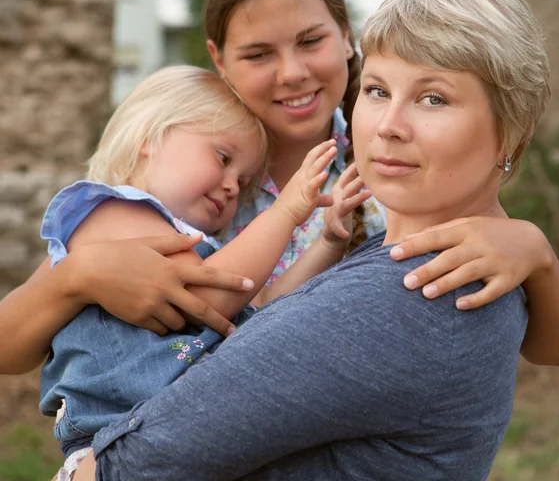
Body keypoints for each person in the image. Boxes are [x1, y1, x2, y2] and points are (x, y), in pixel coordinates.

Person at [0, 0, 559, 381]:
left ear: (346, 34)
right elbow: (11, 348)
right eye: (258, 54)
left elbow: (553, 350)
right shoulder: (187, 175)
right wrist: (76, 278)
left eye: (310, 41)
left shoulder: (400, 163)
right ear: (219, 60)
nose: (293, 73)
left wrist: (535, 253)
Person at [75, 0, 559, 481]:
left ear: (511, 130)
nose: (388, 125)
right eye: (377, 90)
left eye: (434, 99)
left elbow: (137, 464)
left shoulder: (410, 293)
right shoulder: (462, 252)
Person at [41, 65, 369, 479]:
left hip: (177, 431)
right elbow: (205, 300)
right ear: (151, 138)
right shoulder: (109, 211)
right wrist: (286, 210)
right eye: (223, 158)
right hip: (113, 441)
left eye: (243, 180)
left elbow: (261, 302)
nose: (233, 186)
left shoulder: (196, 247)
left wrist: (328, 243)